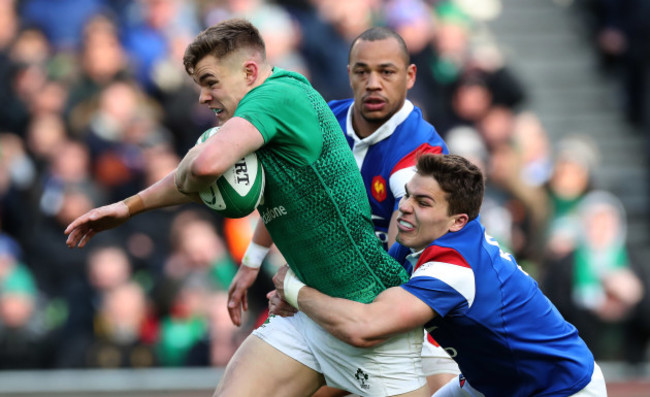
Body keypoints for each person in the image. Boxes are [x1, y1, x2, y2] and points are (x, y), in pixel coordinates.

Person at [65, 18, 429, 397]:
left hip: (365, 310)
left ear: (249, 71)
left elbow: (205, 167)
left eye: (210, 81)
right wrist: (128, 207)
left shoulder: (277, 96)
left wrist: (199, 152)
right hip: (305, 316)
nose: (203, 97)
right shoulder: (261, 120)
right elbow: (233, 181)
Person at [237, 26, 458, 396]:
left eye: (386, 72)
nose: (373, 83)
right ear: (348, 73)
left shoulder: (422, 156)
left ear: (410, 75)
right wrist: (251, 262)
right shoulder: (321, 123)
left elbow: (398, 264)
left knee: (444, 387)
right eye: (362, 71)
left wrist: (298, 291)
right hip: (330, 302)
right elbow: (288, 195)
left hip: (398, 309)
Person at [271, 153, 608, 397]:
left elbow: (365, 327)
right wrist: (303, 301)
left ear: (458, 221)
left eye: (423, 202)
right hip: (493, 383)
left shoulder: (453, 268)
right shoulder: (423, 235)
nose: (404, 206)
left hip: (561, 387)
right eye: (407, 194)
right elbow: (364, 299)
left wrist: (291, 287)